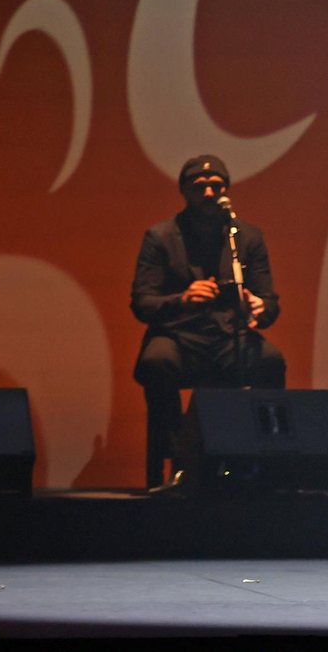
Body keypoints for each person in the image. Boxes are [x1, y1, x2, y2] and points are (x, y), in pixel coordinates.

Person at [130, 154, 285, 488]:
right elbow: (142, 303)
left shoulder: (246, 237)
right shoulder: (160, 237)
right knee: (157, 362)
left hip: (229, 336)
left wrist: (258, 306)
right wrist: (182, 299)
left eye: (217, 186)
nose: (210, 193)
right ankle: (177, 461)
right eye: (200, 187)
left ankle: (268, 466)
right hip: (178, 336)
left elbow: (270, 303)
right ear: (184, 192)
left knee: (271, 361)